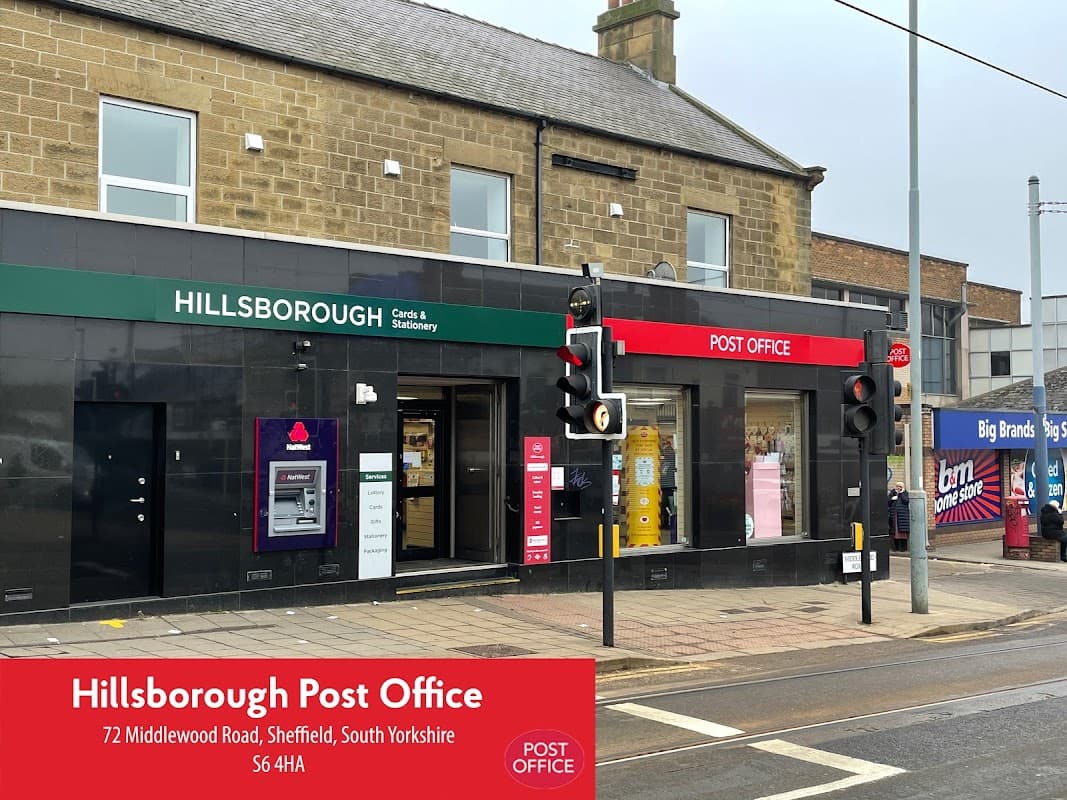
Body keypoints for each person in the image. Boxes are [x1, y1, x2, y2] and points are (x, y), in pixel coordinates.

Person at [888, 481, 910, 551]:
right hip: (894, 516)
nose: (898, 488)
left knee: (902, 533)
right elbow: (888, 502)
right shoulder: (892, 493)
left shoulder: (905, 493)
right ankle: (895, 547)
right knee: (894, 532)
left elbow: (906, 501)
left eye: (900, 487)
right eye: (897, 486)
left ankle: (903, 548)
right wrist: (892, 498)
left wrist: (901, 494)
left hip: (902, 516)